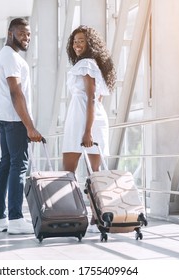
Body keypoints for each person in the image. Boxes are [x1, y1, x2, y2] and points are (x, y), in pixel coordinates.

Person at [0, 18, 42, 234]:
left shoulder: (4, 56)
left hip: (4, 117)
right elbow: (16, 92)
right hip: (14, 118)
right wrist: (30, 126)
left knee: (6, 164)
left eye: (29, 34)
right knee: (18, 165)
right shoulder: (11, 57)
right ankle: (16, 219)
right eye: (22, 33)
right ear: (10, 33)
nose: (26, 38)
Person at [62, 25, 116, 232]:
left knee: (75, 172)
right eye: (75, 41)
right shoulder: (92, 65)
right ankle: (93, 217)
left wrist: (87, 131)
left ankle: (85, 216)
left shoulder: (86, 64)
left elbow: (92, 98)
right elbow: (96, 98)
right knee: (91, 172)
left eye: (81, 41)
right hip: (85, 120)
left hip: (85, 123)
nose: (77, 44)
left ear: (90, 44)